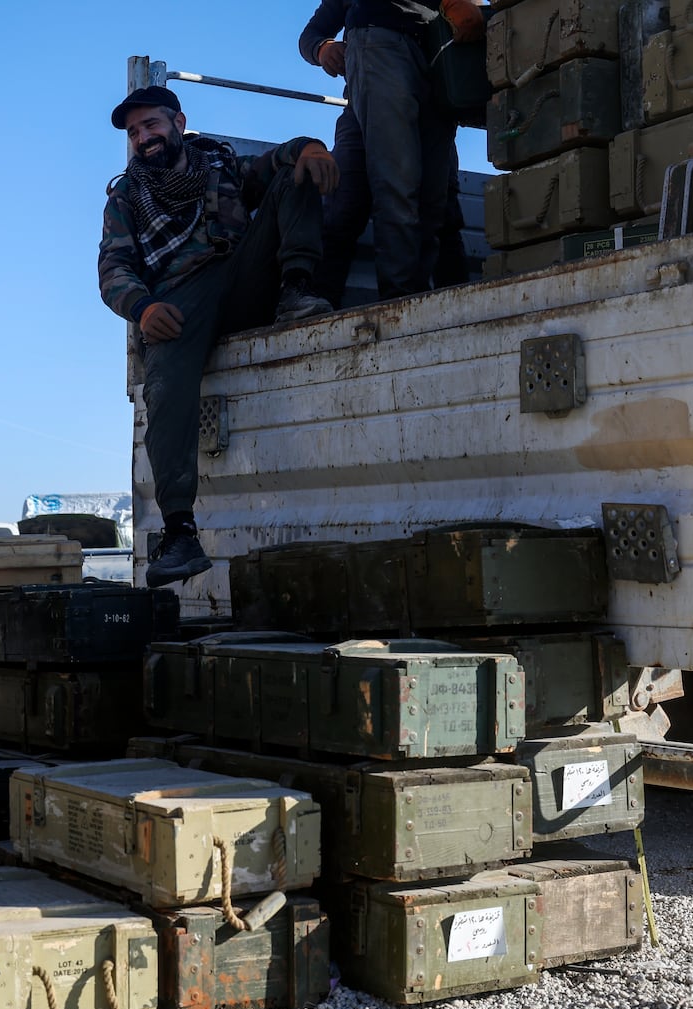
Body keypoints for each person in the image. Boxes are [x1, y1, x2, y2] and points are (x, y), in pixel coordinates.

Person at [99, 86, 339, 587]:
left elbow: (274, 162)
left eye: (152, 125)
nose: (144, 138)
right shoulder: (126, 196)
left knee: (291, 178)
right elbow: (114, 269)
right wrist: (143, 309)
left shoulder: (220, 165)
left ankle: (297, 290)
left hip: (240, 279)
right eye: (134, 132)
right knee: (162, 383)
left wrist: (308, 145)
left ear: (179, 122)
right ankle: (180, 534)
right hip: (180, 299)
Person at [300, 0, 474, 303]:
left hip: (439, 57)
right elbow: (312, 34)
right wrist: (323, 48)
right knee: (386, 189)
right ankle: (399, 304)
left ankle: (428, 303)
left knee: (435, 202)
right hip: (381, 47)